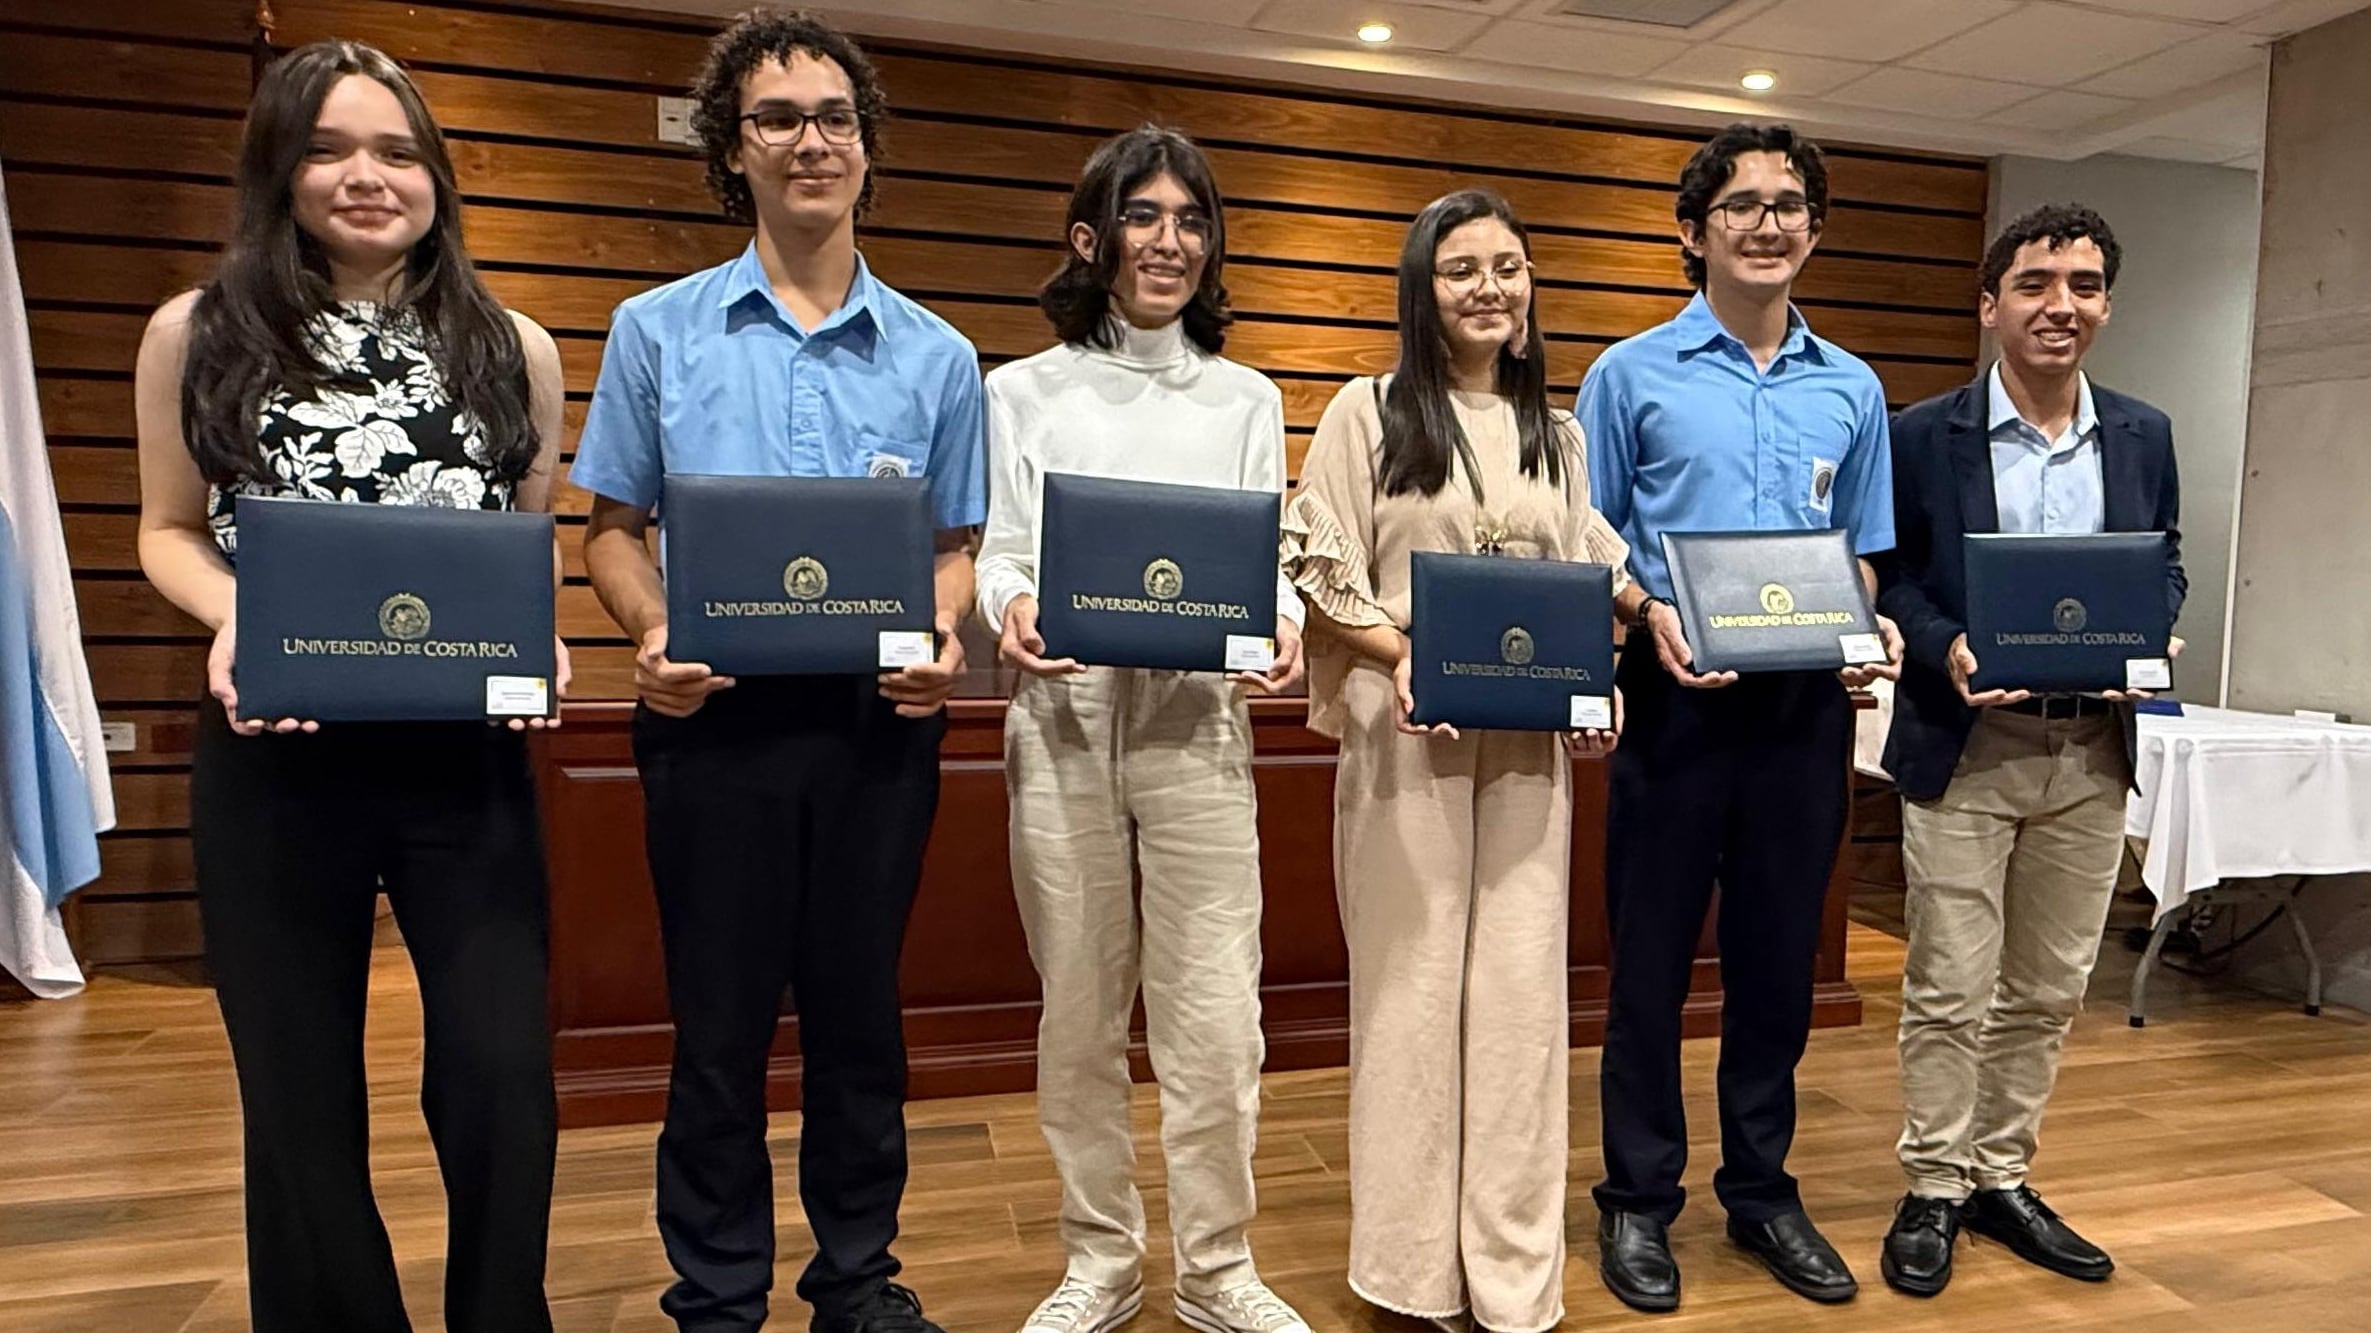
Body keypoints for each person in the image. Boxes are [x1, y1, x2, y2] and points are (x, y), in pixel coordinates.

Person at [132, 39, 567, 1333]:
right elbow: (165, 528)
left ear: (435, 174)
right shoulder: (194, 332)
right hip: (275, 754)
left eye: (394, 150)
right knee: (297, 1083)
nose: (364, 176)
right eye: (326, 148)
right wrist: (233, 614)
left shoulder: (516, 347)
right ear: (279, 169)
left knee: (500, 1071)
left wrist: (535, 645)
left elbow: (516, 547)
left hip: (462, 762)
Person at [570, 11, 984, 1333]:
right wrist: (644, 632)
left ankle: (857, 1280)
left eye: (833, 119)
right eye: (776, 118)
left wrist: (943, 632)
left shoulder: (938, 356)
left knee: (863, 1026)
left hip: (876, 735)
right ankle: (716, 1293)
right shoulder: (655, 333)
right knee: (717, 1030)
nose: (810, 141)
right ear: (730, 148)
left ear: (866, 149)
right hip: (713, 730)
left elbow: (956, 546)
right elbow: (612, 533)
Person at [976, 125, 1313, 1333]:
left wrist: (1278, 622)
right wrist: (1007, 604)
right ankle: (1101, 1261)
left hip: (1197, 726)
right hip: (1062, 720)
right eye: (1142, 216)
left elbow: (1266, 558)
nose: (1167, 241)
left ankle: (1219, 1270)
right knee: (1077, 1004)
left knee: (1217, 1014)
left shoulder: (1246, 397)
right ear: (1091, 236)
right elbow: (1002, 551)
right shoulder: (1017, 391)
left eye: (1189, 220)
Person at [1284, 188, 1626, 1333]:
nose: (1490, 287)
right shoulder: (1366, 410)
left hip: (1529, 745)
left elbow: (1589, 572)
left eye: (1510, 267)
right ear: (1419, 288)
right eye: (1461, 268)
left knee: (1522, 1007)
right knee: (1412, 999)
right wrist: (1403, 651)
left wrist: (1605, 671)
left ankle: (1512, 1276)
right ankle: (1410, 1270)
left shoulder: (1557, 431)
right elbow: (1317, 560)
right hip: (1404, 731)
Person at [1578, 122, 1901, 1313]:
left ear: (1812, 229)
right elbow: (1594, 542)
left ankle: (1762, 1192)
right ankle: (1637, 1201)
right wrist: (1644, 613)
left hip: (1802, 716)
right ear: (1691, 231)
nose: (1768, 223)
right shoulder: (1627, 375)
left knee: (1778, 966)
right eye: (1742, 205)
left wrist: (1866, 630)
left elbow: (1863, 558)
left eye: (1789, 205)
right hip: (1676, 705)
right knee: (1650, 965)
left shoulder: (1852, 387)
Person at [1876, 203, 2185, 1297]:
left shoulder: (2142, 433)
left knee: (2049, 987)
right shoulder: (1921, 434)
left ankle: (2002, 1175)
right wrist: (1945, 645)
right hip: (1968, 745)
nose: (2062, 306)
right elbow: (1893, 579)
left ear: (2105, 301)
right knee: (1949, 984)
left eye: (2085, 284)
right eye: (2037, 283)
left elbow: (2166, 561)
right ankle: (1933, 1184)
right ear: (1990, 303)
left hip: (2090, 751)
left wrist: (2155, 622)